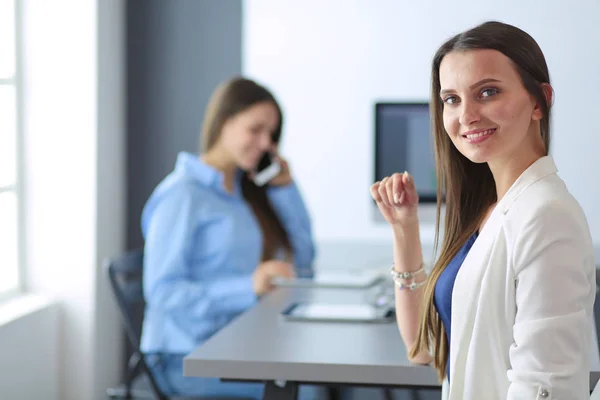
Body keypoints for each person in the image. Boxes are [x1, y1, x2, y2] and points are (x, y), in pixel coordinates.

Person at [370, 21, 595, 400]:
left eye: (487, 92)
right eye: (451, 99)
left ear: (540, 101)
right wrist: (403, 229)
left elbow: (544, 387)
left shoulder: (547, 216)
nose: (466, 115)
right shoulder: (489, 211)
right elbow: (422, 347)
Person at [140, 77, 321, 399]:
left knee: (313, 376)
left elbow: (304, 259)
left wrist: (284, 190)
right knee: (305, 391)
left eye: (272, 134)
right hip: (187, 358)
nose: (266, 144)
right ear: (225, 122)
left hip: (237, 345)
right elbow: (162, 293)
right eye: (256, 130)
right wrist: (247, 286)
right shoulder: (182, 195)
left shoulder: (242, 193)